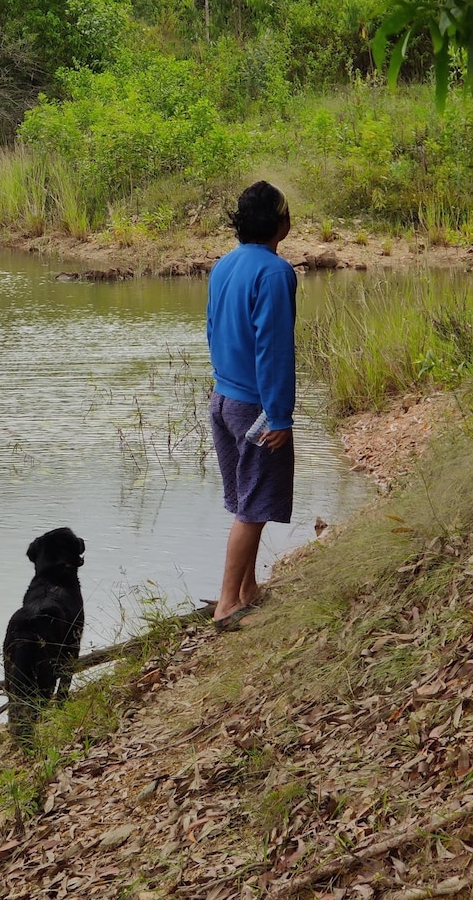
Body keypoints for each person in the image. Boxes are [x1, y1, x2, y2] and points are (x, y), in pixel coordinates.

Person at [205, 181, 296, 631]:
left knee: (245, 499)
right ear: (281, 223)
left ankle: (248, 590)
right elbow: (274, 349)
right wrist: (279, 415)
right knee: (253, 506)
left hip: (222, 398)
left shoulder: (224, 265)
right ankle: (227, 606)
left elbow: (211, 328)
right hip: (254, 406)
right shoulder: (275, 272)